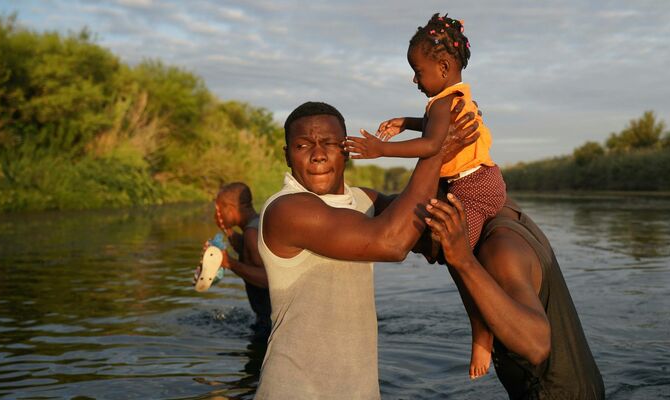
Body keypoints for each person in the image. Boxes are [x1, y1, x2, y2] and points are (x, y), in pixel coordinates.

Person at [255, 100, 479, 399]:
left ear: (346, 149)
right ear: (287, 156)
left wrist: (456, 148)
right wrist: (434, 149)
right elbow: (392, 243)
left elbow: (424, 229)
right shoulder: (286, 210)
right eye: (303, 146)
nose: (318, 155)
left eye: (330, 144)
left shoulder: (365, 201)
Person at [343, 12, 505, 379]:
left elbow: (434, 143)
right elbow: (433, 125)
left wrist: (382, 150)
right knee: (451, 251)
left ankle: (483, 333)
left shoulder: (445, 103)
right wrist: (406, 121)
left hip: (474, 189)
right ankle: (482, 327)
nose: (414, 79)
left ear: (444, 66)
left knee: (460, 260)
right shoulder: (449, 98)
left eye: (418, 71)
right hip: (475, 182)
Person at [424, 194, 606, 399]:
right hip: (584, 388)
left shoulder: (500, 250)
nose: (427, 258)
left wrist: (463, 261)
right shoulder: (502, 208)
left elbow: (536, 346)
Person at [213, 182, 271, 340]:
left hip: (271, 324)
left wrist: (229, 263)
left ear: (230, 208)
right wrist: (227, 229)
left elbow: (269, 279)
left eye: (219, 210)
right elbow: (250, 255)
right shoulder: (256, 224)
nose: (216, 214)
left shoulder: (252, 234)